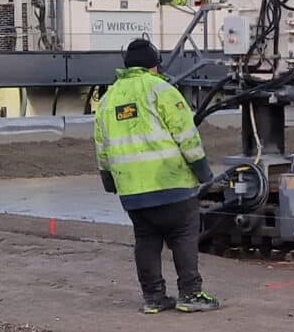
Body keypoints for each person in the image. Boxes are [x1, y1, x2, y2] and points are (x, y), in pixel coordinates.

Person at [94, 38, 219, 314]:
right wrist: (203, 172)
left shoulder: (107, 100)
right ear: (154, 66)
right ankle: (190, 293)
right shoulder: (162, 90)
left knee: (146, 239)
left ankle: (153, 297)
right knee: (184, 234)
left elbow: (102, 148)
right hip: (171, 184)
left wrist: (110, 182)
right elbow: (186, 135)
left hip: (133, 193)